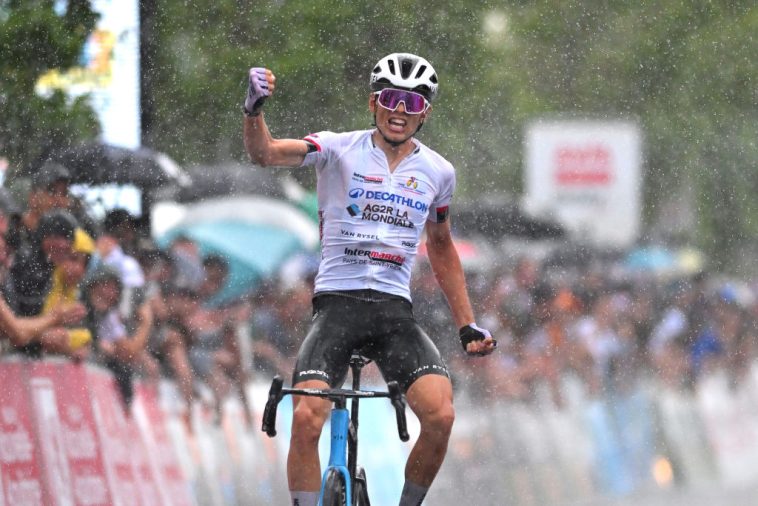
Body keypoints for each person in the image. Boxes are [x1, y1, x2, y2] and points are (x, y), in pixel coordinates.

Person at [243, 53, 497, 506]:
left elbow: (441, 247)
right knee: (305, 419)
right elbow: (264, 154)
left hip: (394, 314)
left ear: (425, 114)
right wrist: (254, 112)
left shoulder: (439, 172)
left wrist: (467, 324)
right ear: (373, 103)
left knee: (440, 416)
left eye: (413, 103)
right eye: (391, 99)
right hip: (337, 308)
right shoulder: (337, 148)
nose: (400, 110)